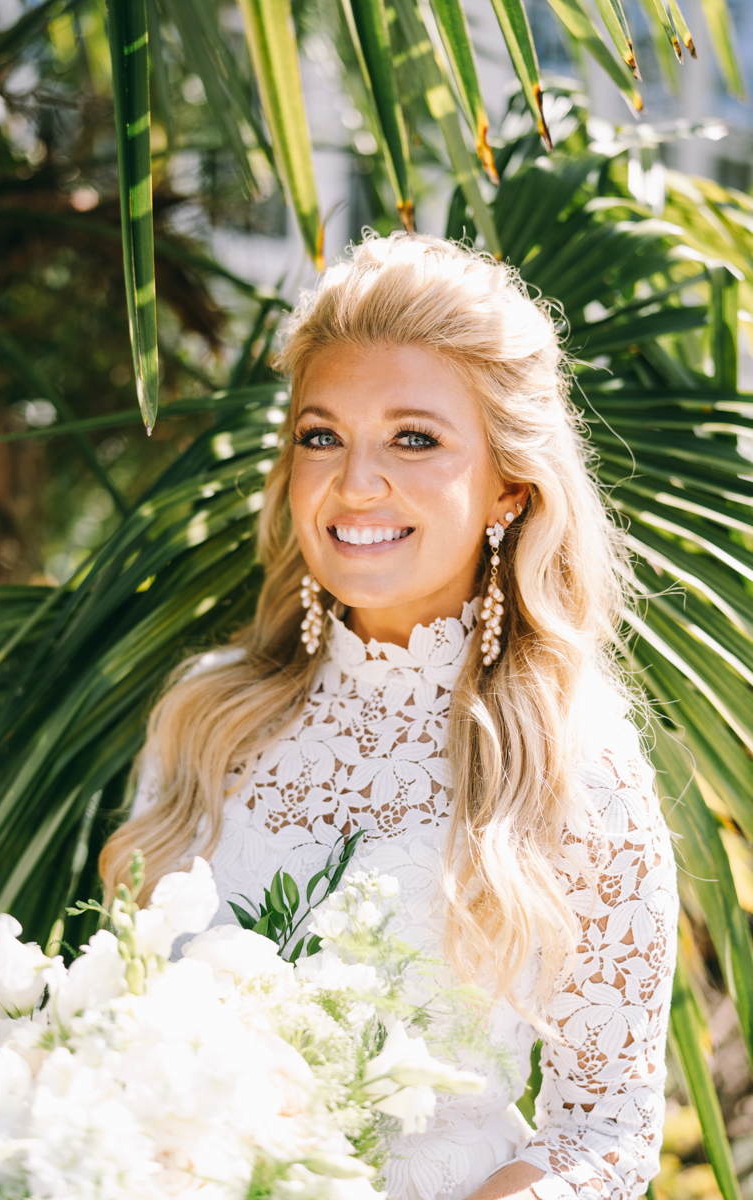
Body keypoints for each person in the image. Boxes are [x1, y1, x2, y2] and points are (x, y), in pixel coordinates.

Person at [100, 233, 679, 1200]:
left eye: (415, 438)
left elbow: (605, 1134)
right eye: (320, 434)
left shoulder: (578, 765)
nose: (354, 482)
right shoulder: (205, 715)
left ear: (509, 483)